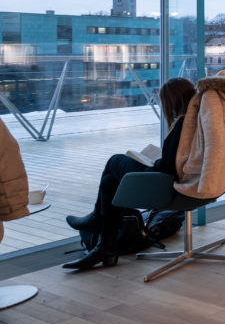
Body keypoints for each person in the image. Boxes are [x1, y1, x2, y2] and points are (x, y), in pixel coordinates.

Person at [62, 77, 196, 270]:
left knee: (114, 161)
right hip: (187, 183)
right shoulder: (198, 121)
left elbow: (168, 167)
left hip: (167, 184)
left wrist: (154, 161)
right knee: (110, 182)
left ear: (173, 100)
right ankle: (105, 246)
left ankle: (97, 223)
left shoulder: (183, 123)